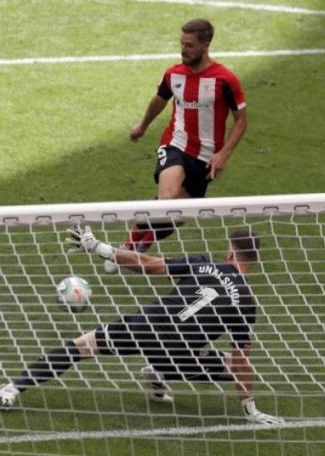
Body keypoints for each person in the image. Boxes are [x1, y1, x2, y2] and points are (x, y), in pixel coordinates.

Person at [0, 226, 284, 425]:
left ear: (229, 252)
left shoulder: (205, 263)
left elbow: (148, 264)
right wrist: (250, 408)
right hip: (177, 350)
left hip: (146, 323)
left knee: (81, 347)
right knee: (231, 363)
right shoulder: (247, 302)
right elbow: (243, 360)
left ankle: (9, 391)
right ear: (252, 261)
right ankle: (160, 372)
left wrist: (100, 248)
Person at [106, 18, 247, 273]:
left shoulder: (225, 80)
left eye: (190, 45)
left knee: (176, 217)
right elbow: (161, 99)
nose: (184, 50)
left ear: (206, 44)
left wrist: (223, 154)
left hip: (205, 158)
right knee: (167, 199)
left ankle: (140, 241)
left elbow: (241, 122)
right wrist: (143, 126)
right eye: (182, 44)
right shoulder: (174, 74)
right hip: (174, 145)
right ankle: (127, 247)